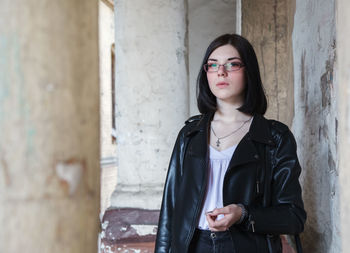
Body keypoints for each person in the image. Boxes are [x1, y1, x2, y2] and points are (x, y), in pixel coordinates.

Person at [155, 34, 306, 253]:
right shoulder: (189, 135)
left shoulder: (275, 137)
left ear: (249, 71)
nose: (221, 72)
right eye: (212, 65)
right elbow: (170, 211)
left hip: (246, 247)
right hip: (193, 246)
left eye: (232, 64)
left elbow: (294, 217)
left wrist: (243, 214)